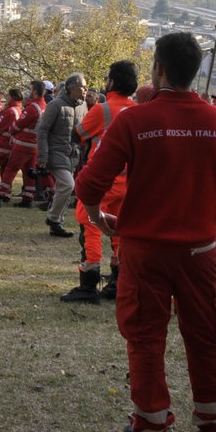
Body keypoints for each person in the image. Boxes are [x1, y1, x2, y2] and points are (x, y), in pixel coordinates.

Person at [75, 31, 216, 432]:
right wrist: (203, 211)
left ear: (159, 69)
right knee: (207, 336)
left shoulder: (135, 121)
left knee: (146, 336)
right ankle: (214, 429)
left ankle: (150, 429)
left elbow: (90, 183)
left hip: (145, 250)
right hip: (201, 251)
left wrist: (99, 219)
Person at [67, 61, 138, 303]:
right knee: (120, 231)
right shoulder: (138, 111)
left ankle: (88, 282)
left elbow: (78, 135)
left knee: (90, 226)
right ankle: (118, 282)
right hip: (129, 184)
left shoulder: (102, 110)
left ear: (112, 82)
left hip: (103, 181)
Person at [35, 73, 86, 239]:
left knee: (63, 188)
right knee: (67, 185)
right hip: (56, 152)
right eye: (82, 87)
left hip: (72, 154)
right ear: (71, 88)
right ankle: (54, 219)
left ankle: (57, 222)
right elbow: (42, 130)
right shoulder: (55, 105)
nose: (85, 90)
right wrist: (43, 156)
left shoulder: (82, 106)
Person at [6, 81, 46, 208]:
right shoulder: (44, 105)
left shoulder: (32, 108)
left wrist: (12, 129)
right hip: (34, 145)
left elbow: (19, 125)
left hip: (23, 144)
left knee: (11, 169)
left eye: (30, 89)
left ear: (34, 92)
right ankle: (28, 197)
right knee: (29, 172)